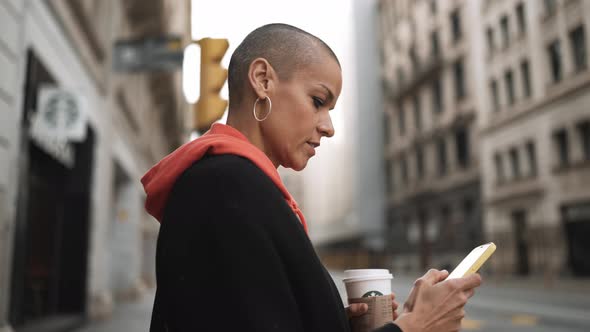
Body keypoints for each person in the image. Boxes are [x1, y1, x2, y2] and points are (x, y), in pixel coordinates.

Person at [141, 23, 482, 332]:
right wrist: (416, 327)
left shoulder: (234, 183)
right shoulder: (227, 187)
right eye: (318, 101)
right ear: (262, 80)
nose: (328, 127)